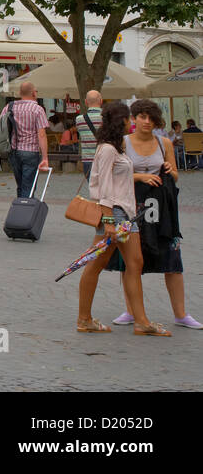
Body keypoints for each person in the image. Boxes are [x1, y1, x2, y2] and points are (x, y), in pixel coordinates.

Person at [76, 103, 170, 336]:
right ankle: (85, 318)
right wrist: (108, 220)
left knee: (134, 263)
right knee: (96, 264)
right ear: (121, 121)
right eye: (129, 119)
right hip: (114, 213)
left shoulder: (116, 148)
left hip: (125, 214)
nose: (133, 122)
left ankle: (140, 321)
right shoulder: (108, 149)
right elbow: (104, 186)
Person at [106, 101, 200, 329]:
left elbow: (176, 175)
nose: (146, 122)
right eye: (142, 117)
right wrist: (140, 177)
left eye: (151, 118)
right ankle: (131, 310)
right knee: (131, 261)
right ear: (134, 119)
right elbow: (114, 177)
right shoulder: (123, 144)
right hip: (132, 208)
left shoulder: (164, 142)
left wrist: (170, 171)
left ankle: (181, 314)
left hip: (163, 210)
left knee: (172, 260)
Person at [0, 82, 49, 198]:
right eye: (36, 91)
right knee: (29, 187)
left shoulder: (9, 107)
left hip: (14, 150)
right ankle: (25, 210)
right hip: (31, 151)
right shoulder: (37, 109)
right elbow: (41, 135)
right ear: (33, 93)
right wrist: (45, 157)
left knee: (20, 185)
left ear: (20, 93)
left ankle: (20, 208)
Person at [75, 90, 102, 181]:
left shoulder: (79, 119)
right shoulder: (107, 118)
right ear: (101, 101)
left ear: (86, 102)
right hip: (104, 158)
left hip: (88, 159)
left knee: (92, 188)